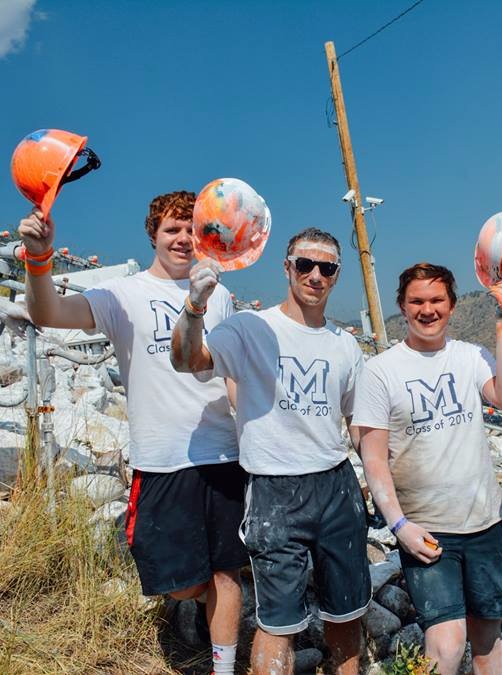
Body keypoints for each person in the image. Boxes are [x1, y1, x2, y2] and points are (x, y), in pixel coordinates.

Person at [18, 195, 245, 674]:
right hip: (161, 455)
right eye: (172, 230)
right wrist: (39, 258)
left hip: (222, 450)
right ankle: (190, 599)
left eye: (191, 230)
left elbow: (229, 368)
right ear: (153, 236)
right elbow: (48, 314)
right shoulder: (123, 294)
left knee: (227, 569)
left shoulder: (219, 291)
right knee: (182, 582)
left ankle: (223, 667)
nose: (183, 239)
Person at [170, 228, 371, 675]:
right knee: (277, 622)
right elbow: (187, 359)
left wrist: (387, 489)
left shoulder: (345, 344)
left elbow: (359, 425)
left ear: (337, 275)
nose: (315, 275)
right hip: (274, 489)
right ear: (287, 268)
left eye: (327, 267)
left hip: (336, 485)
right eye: (305, 264)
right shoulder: (249, 328)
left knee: (346, 614)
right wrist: (194, 305)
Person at [352, 263, 502, 675]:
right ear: (402, 306)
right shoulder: (380, 372)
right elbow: (373, 456)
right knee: (446, 646)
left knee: (487, 639)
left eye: (436, 300)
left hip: (485, 523)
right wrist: (398, 526)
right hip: (427, 530)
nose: (427, 310)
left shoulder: (470, 357)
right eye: (417, 301)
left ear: (451, 305)